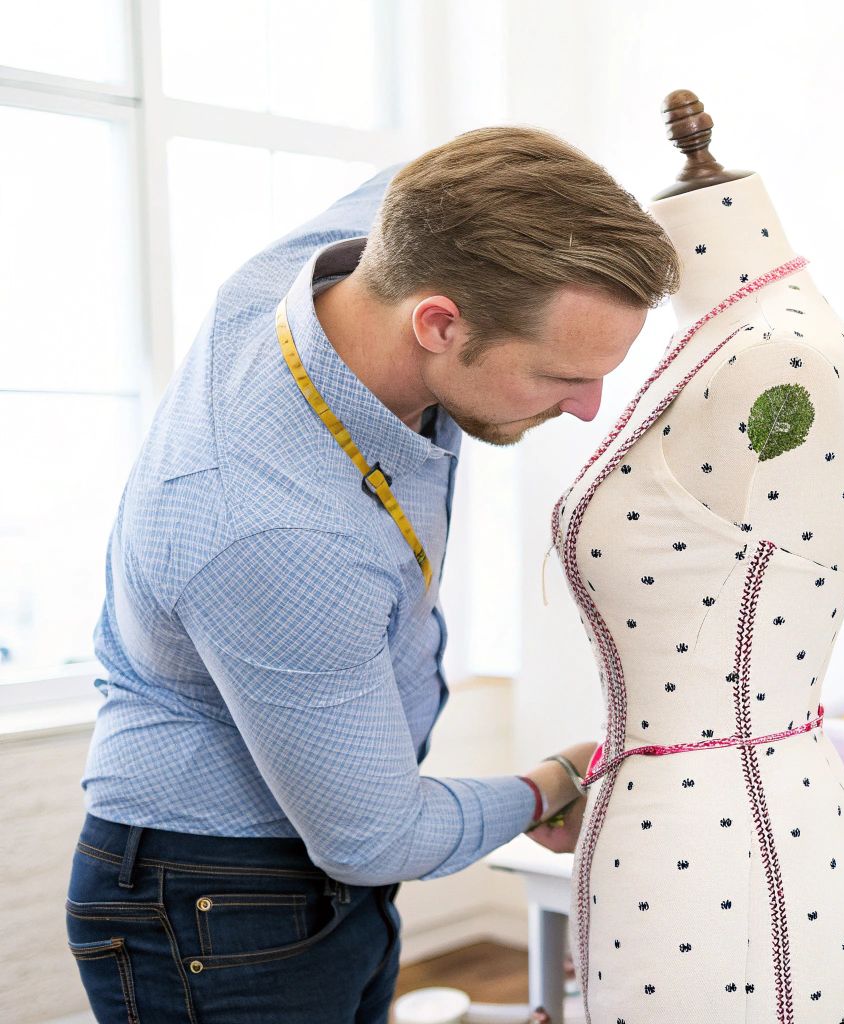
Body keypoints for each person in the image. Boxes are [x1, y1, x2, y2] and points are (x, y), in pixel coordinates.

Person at [65, 125, 680, 1023]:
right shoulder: (271, 529)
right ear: (437, 322)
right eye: (562, 376)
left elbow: (449, 177)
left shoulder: (367, 252)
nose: (590, 410)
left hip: (308, 868)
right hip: (216, 900)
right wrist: (553, 783)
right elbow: (375, 835)